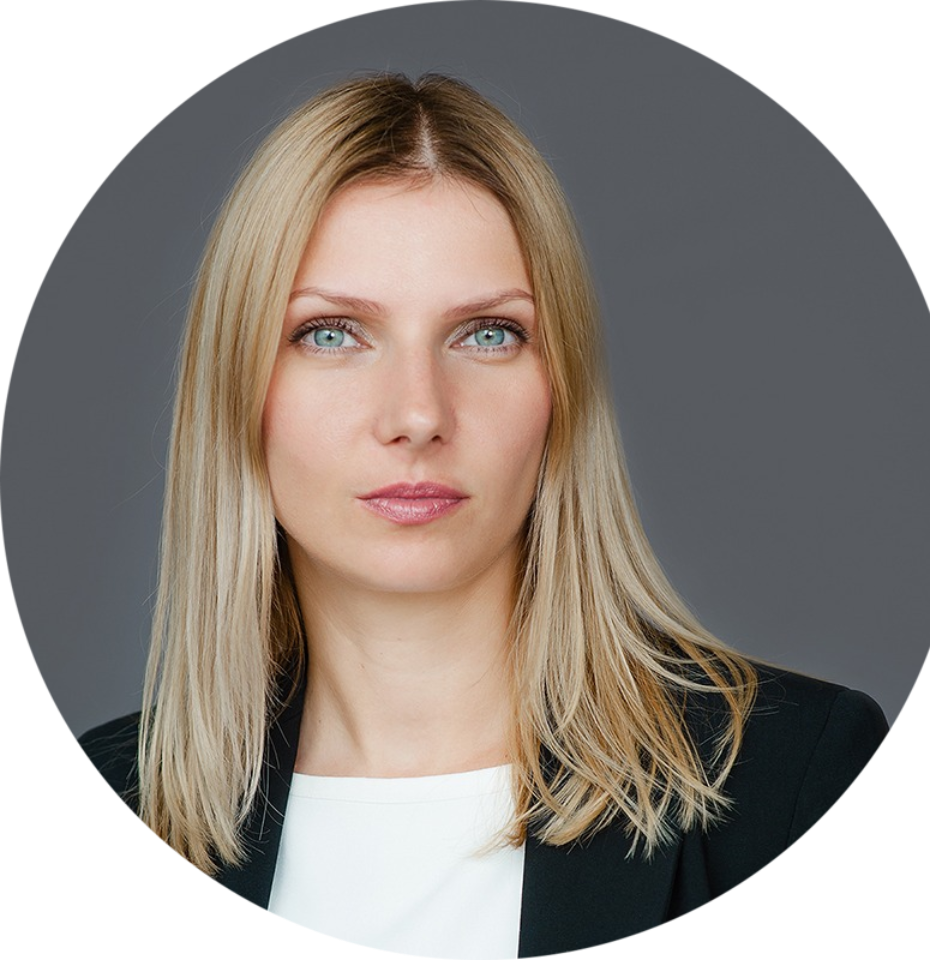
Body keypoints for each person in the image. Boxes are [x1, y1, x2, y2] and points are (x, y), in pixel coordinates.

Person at [77, 73, 889, 956]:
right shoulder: (121, 791)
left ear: (560, 390)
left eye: (488, 334)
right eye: (331, 333)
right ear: (238, 386)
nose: (418, 414)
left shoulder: (793, 781)